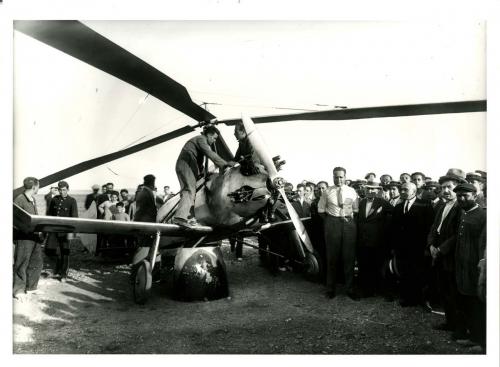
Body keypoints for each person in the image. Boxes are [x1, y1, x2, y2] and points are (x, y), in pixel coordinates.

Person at [173, 125, 235, 227]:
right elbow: (210, 154)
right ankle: (180, 218)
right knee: (189, 190)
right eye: (214, 138)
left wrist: (204, 175)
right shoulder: (201, 139)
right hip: (186, 164)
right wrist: (225, 165)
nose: (214, 141)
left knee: (192, 191)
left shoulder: (199, 142)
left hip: (188, 164)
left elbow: (200, 163)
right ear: (209, 135)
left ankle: (190, 218)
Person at [427, 171, 463, 337]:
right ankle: (450, 322)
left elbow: (457, 234)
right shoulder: (442, 205)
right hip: (438, 254)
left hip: (450, 255)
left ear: (457, 188)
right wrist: (431, 245)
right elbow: (434, 228)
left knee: (453, 291)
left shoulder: (460, 207)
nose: (446, 191)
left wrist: (441, 249)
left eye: (449, 187)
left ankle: (459, 327)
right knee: (444, 290)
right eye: (443, 187)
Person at [453, 183, 486, 351]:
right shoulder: (462, 213)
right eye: (459, 196)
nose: (461, 198)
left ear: (474, 195)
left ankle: (482, 341)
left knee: (478, 304)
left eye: (465, 195)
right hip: (462, 266)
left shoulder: (482, 215)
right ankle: (472, 336)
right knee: (466, 301)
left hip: (475, 267)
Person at [390, 182, 434, 307]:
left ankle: (418, 298)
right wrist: (394, 246)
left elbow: (429, 227)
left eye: (406, 190)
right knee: (404, 272)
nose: (402, 191)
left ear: (414, 191)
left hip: (418, 247)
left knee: (417, 272)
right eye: (401, 189)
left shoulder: (425, 205)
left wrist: (427, 246)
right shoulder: (398, 207)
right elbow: (394, 228)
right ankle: (407, 297)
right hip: (402, 248)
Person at [318, 167, 359, 300]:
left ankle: (350, 288)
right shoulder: (327, 192)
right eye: (336, 177)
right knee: (332, 257)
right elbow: (321, 210)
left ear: (345, 177)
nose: (338, 179)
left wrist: (347, 221)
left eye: (341, 177)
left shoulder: (352, 191)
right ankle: (330, 289)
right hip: (332, 223)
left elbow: (356, 210)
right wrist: (331, 222)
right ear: (333, 177)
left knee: (349, 257)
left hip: (348, 224)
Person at [356, 183, 393, 298]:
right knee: (364, 265)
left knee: (377, 266)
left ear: (378, 191)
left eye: (373, 189)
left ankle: (380, 289)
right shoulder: (361, 202)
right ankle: (367, 290)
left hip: (377, 241)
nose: (370, 191)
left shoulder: (382, 202)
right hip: (363, 240)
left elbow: (393, 214)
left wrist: (383, 231)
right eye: (368, 189)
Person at [13, 177, 44, 301]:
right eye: (38, 186)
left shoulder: (33, 199)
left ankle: (31, 287)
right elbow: (14, 220)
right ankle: (18, 290)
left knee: (36, 261)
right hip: (24, 237)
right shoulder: (19, 200)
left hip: (34, 236)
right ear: (34, 187)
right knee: (21, 263)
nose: (38, 188)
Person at [47, 180, 78, 282]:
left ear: (68, 190)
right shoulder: (54, 200)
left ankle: (63, 274)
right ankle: (57, 268)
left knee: (65, 252)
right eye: (60, 190)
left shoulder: (72, 201)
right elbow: (50, 215)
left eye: (64, 190)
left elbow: (74, 218)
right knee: (49, 250)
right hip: (54, 230)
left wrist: (72, 233)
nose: (61, 192)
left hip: (65, 231)